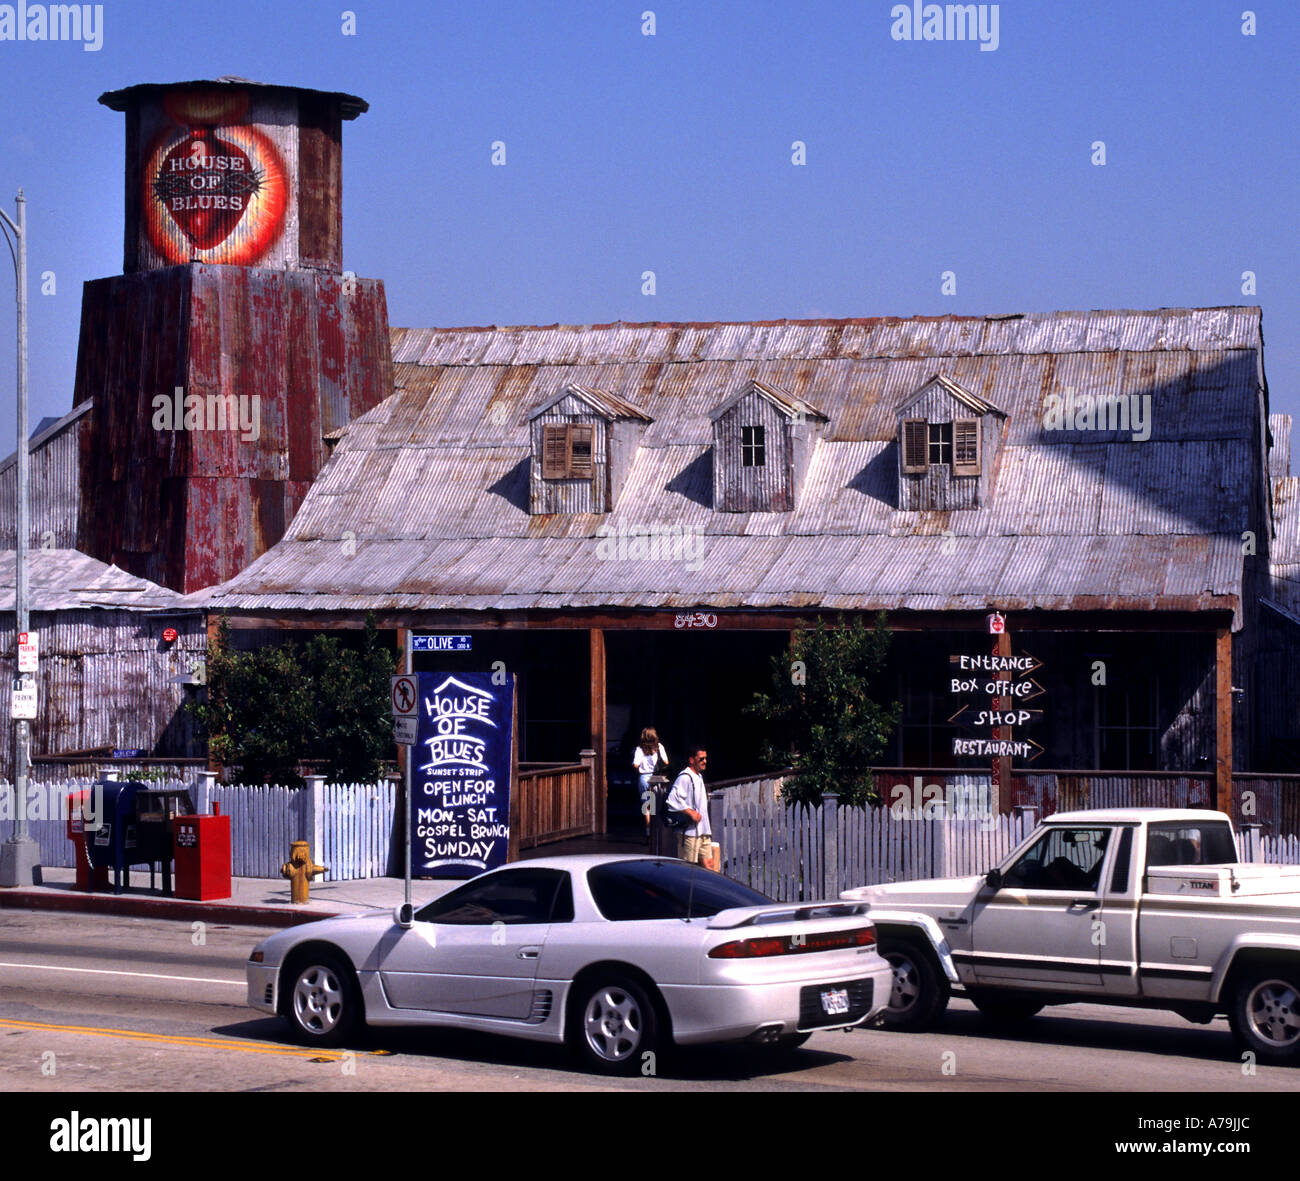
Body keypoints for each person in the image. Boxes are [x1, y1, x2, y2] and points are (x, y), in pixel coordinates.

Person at [667, 745, 712, 866]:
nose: (704, 761)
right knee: (688, 871)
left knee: (710, 867)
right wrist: (690, 812)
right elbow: (672, 800)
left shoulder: (699, 776)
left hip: (703, 831)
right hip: (690, 834)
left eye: (705, 758)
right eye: (701, 759)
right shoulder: (685, 777)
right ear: (691, 760)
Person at [632, 728, 669, 826]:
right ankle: (658, 830)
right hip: (657, 777)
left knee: (647, 806)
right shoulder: (659, 747)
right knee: (658, 805)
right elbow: (666, 762)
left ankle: (649, 831)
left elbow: (635, 764)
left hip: (644, 778)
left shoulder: (639, 749)